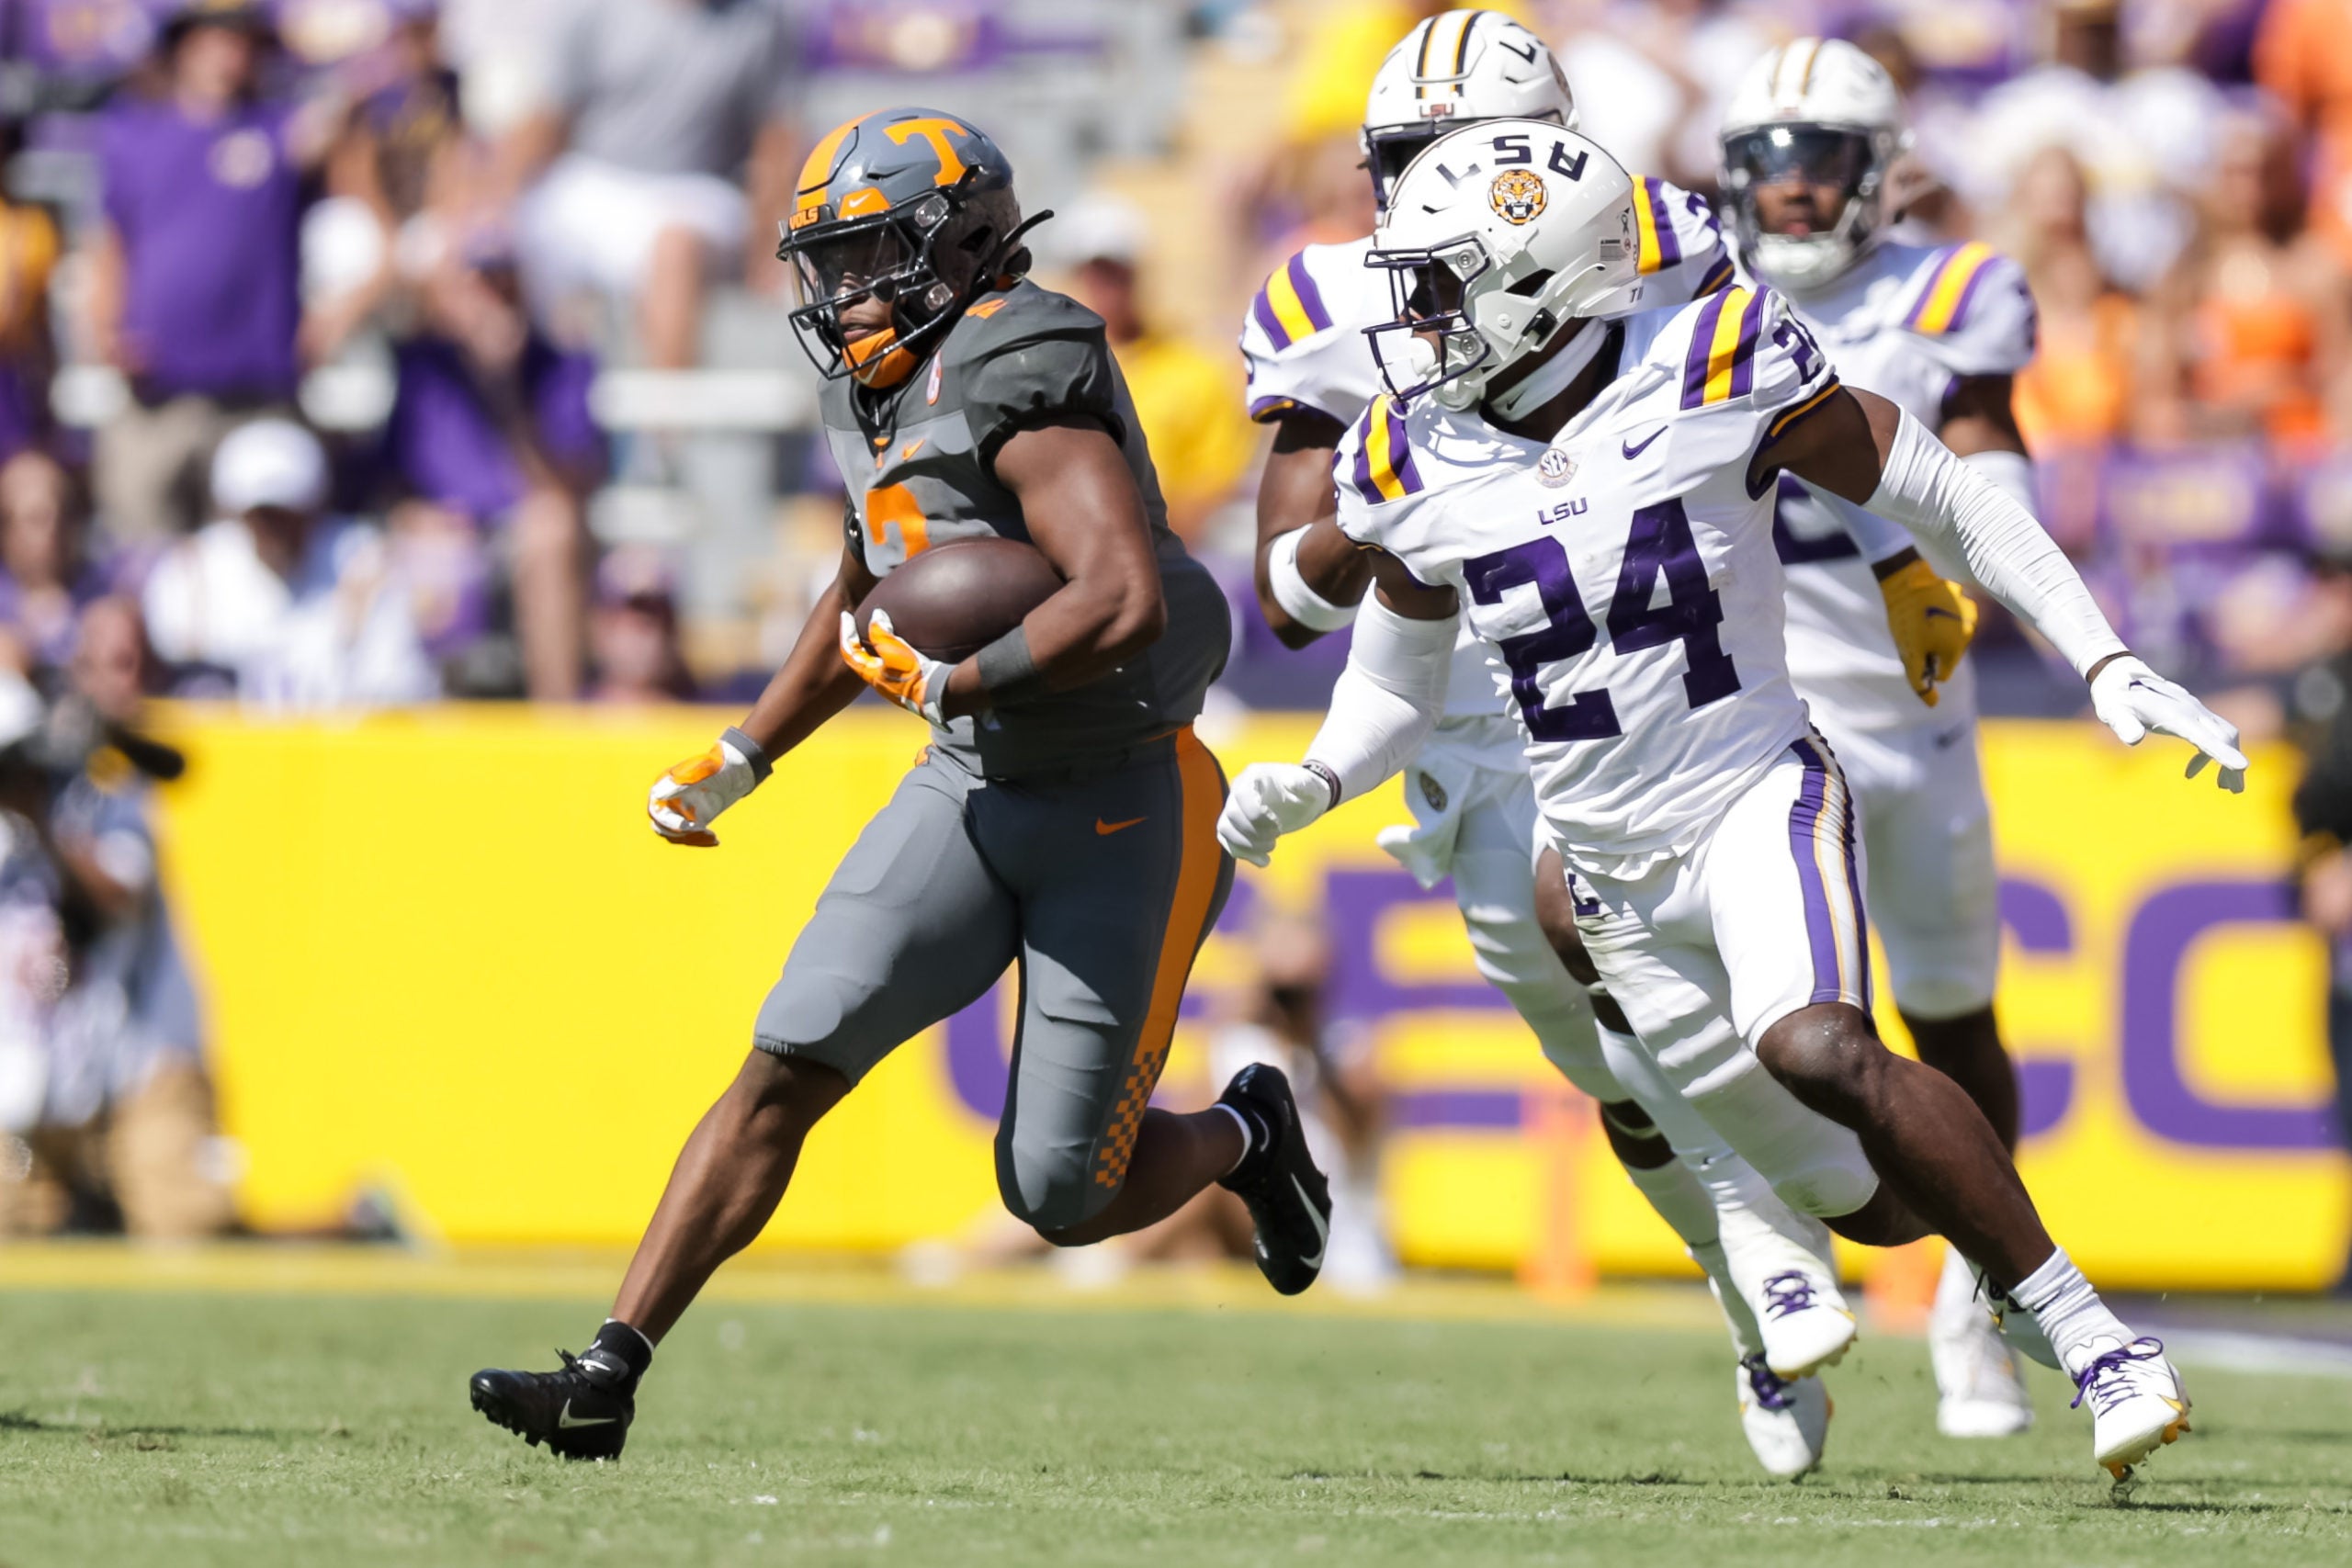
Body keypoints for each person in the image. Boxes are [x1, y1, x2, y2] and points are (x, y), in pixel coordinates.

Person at [1220, 119, 2241, 1480]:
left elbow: (1937, 485)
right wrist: (1321, 777)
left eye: (1445, 281)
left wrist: (2103, 653)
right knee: (1868, 1208)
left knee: (1822, 1043)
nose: (1416, 316)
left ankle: (2091, 1332)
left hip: (1757, 786)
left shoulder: (1711, 355)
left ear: (1542, 279)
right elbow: (1394, 679)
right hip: (1603, 871)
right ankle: (1881, 1282)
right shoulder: (1413, 452)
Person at [469, 109, 1329, 1462]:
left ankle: (1242, 1131)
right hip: (972, 784)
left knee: (1059, 1189)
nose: (844, 289)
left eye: (874, 253)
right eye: (833, 257)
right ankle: (607, 1368)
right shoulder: (879, 378)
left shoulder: (1022, 356)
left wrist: (958, 681)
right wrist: (748, 749)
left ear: (970, 242)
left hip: (1122, 796)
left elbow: (1117, 594)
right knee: (784, 1061)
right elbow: (867, 583)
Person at [1239, 9, 1845, 1480]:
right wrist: (1391, 497)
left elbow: (1762, 406)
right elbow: (1287, 587)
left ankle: (1787, 1231)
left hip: (1636, 658)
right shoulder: (1328, 294)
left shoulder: (1653, 236)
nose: (1443, 195)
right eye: (1411, 161)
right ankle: (1744, 1290)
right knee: (1606, 1060)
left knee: (1660, 975)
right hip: (1462, 689)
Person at [1716, 37, 2045, 1440]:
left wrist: (1966, 564)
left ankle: (1983, 1297)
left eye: (1820, 161)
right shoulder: (1693, 290)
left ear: (1877, 167)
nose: (1792, 192)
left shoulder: (1951, 290)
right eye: (1768, 163)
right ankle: (1774, 1307)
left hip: (1913, 713)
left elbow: (1993, 456)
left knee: (1952, 1013)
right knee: (1761, 1029)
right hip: (1751, 722)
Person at [88, 0, 329, 540]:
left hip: (255, 392)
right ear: (184, 45)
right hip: (157, 392)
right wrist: (103, 331)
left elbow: (349, 144)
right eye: (215, 37)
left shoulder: (280, 132)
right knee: (142, 550)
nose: (229, 53)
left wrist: (332, 319)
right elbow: (109, 246)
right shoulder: (135, 135)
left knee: (260, 564)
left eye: (242, 39)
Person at [505, 0, 801, 367]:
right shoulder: (591, 12)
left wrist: (770, 246)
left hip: (698, 190)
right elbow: (547, 121)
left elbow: (775, 139)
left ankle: (665, 416)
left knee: (674, 247)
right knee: (503, 242)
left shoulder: (759, 23)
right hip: (592, 181)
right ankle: (539, 408)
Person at [140, 417, 437, 707]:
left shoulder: (364, 563)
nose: (273, 529)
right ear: (236, 514)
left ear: (315, 508)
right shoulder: (190, 574)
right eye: (261, 514)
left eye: (287, 513)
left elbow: (399, 691)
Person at [1056, 199, 1256, 545]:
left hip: (1164, 550)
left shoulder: (1195, 369)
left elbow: (1212, 483)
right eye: (1094, 273)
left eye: (1116, 273)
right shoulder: (1051, 369)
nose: (1105, 287)